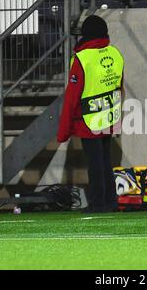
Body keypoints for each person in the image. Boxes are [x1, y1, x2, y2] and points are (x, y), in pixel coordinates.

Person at [57, 15, 124, 213]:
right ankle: (110, 202)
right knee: (105, 161)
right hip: (110, 116)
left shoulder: (81, 59)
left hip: (90, 118)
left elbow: (72, 98)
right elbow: (120, 88)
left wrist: (64, 131)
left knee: (95, 163)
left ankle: (98, 204)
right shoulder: (115, 54)